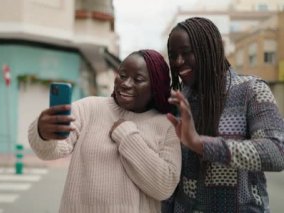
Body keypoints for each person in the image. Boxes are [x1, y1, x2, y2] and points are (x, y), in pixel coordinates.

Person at [28, 49, 181, 213]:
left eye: (138, 79)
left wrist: (127, 136)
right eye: (122, 75)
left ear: (156, 87)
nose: (126, 83)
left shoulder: (167, 125)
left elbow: (165, 186)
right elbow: (52, 151)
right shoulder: (89, 108)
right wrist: (43, 132)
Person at [163, 17, 284, 213]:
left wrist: (201, 144)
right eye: (173, 55)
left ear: (210, 49)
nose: (178, 62)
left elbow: (276, 153)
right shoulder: (178, 100)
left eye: (186, 53)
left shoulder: (251, 90)